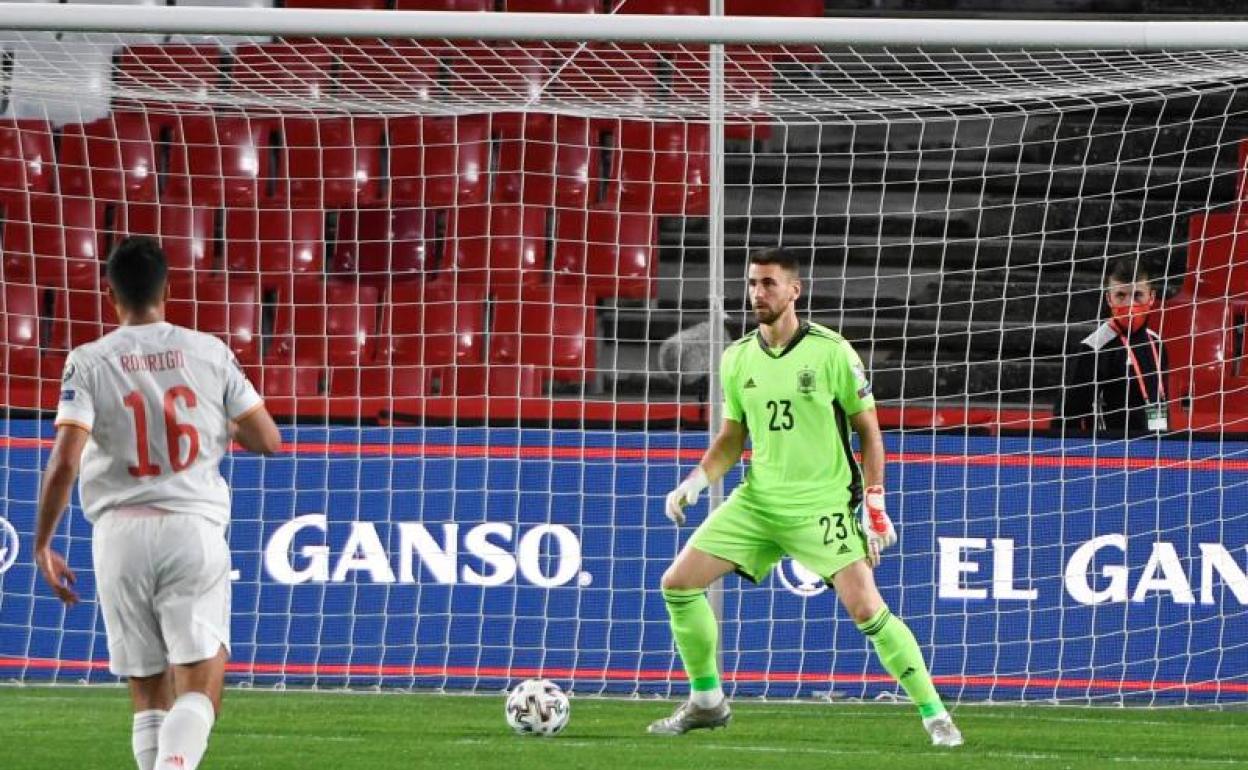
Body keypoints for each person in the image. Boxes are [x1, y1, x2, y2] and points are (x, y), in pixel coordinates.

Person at [648, 248, 961, 746]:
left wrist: (874, 505)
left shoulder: (832, 352)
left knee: (866, 611)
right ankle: (707, 701)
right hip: (758, 502)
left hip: (822, 506)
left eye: (768, 284)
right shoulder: (737, 358)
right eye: (752, 284)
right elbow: (732, 439)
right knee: (678, 583)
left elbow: (870, 433)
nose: (757, 294)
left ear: (794, 290)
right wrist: (694, 483)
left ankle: (935, 713)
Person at [34, 236, 281, 770]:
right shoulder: (207, 351)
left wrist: (42, 544)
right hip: (190, 528)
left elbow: (65, 461)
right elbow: (268, 439)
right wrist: (219, 425)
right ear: (169, 288)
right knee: (201, 688)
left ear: (110, 294)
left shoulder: (88, 360)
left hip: (118, 536)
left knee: (148, 696)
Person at [1055, 256, 1170, 437]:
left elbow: (1160, 401)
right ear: (1109, 299)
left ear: (1152, 297)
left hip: (1150, 451)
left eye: (1138, 295)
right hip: (1107, 454)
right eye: (1120, 295)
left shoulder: (1156, 344)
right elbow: (1065, 419)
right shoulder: (1093, 348)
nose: (1129, 305)